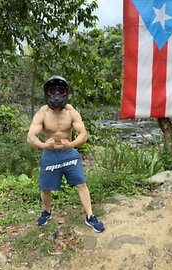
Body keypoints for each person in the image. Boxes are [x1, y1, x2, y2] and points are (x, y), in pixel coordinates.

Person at [26, 75, 105, 233]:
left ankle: (90, 216)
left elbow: (83, 135)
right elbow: (30, 137)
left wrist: (72, 144)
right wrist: (43, 145)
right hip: (49, 154)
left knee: (81, 184)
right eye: (52, 91)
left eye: (60, 91)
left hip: (68, 152)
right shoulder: (42, 113)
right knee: (45, 187)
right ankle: (47, 212)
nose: (56, 95)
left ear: (66, 93)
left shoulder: (71, 112)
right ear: (47, 93)